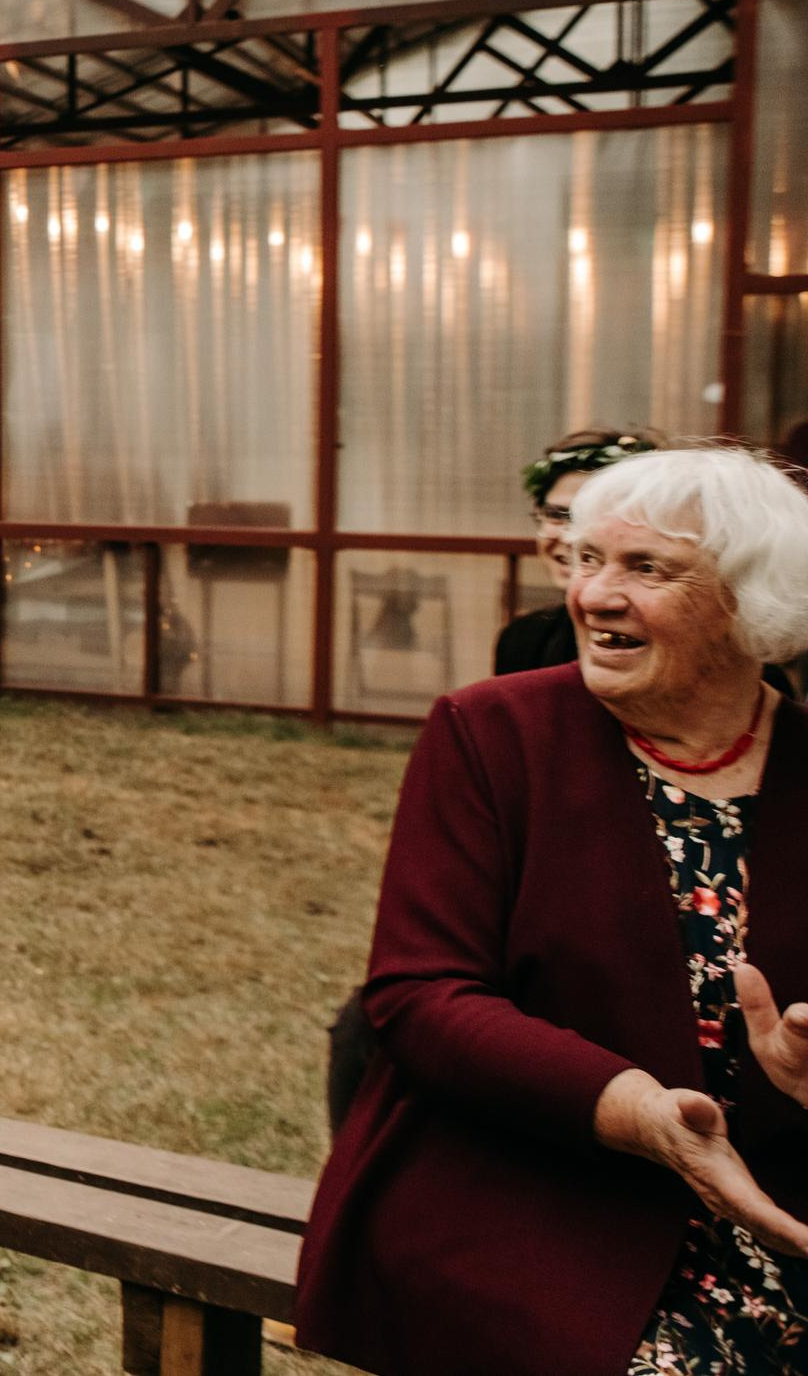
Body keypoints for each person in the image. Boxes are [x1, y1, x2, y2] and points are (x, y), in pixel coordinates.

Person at [296, 447, 808, 1374]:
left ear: (750, 598)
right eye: (586, 558)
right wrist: (638, 1111)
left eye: (645, 567)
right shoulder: (492, 733)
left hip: (778, 1201)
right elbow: (419, 995)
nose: (594, 594)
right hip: (527, 1195)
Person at [495, 426, 662, 674]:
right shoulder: (522, 638)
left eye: (593, 517)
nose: (569, 536)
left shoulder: (655, 643)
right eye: (556, 515)